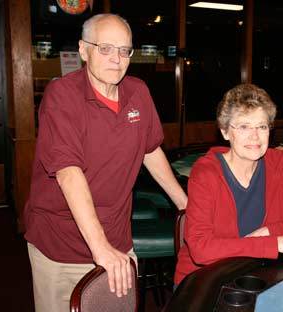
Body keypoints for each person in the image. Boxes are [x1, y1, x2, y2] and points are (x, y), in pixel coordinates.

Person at [24, 14, 187, 312]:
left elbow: (150, 151)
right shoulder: (62, 96)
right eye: (105, 48)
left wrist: (185, 203)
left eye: (124, 50)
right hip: (62, 244)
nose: (116, 59)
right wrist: (100, 249)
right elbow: (69, 173)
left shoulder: (138, 92)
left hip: (118, 240)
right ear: (83, 51)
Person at [174, 84, 283, 285]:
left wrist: (272, 231)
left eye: (262, 126)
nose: (255, 136)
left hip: (259, 275)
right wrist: (271, 243)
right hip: (204, 280)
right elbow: (200, 249)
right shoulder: (206, 174)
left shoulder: (281, 166)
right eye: (243, 127)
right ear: (225, 131)